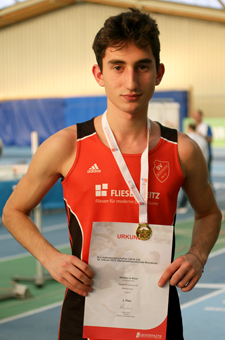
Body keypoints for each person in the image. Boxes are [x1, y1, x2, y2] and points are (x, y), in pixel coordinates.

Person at [2, 8, 222, 340]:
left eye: (142, 67)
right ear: (99, 73)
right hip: (86, 307)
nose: (130, 82)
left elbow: (209, 213)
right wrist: (52, 259)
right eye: (117, 67)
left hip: (157, 310)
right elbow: (12, 211)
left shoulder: (182, 150)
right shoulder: (66, 146)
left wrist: (197, 254)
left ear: (158, 72)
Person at [177, 123, 209, 213]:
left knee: (186, 186)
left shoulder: (187, 138)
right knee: (204, 186)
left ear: (189, 128)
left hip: (189, 165)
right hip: (203, 165)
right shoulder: (202, 139)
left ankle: (182, 205)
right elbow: (206, 154)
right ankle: (206, 207)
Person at [193, 109, 213, 186]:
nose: (196, 117)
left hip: (206, 154)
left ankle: (211, 195)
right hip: (195, 155)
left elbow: (210, 139)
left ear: (201, 116)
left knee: (207, 176)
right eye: (194, 116)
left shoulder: (206, 126)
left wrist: (201, 135)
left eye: (197, 116)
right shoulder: (192, 126)